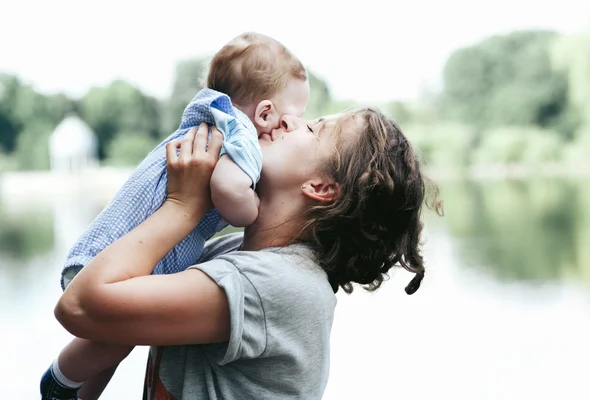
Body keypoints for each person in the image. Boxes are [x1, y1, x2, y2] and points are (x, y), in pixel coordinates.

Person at [52, 108, 443, 399]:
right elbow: (111, 327)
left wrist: (182, 206)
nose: (287, 120)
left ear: (321, 186)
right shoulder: (230, 253)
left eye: (312, 128)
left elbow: (79, 306)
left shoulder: (276, 287)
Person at [40, 32, 309, 400]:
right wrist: (253, 210)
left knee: (114, 343)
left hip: (104, 251)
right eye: (294, 119)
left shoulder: (210, 115)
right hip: (118, 270)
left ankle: (77, 393)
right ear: (264, 113)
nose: (292, 127)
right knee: (118, 340)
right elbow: (230, 191)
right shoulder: (243, 136)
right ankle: (60, 380)